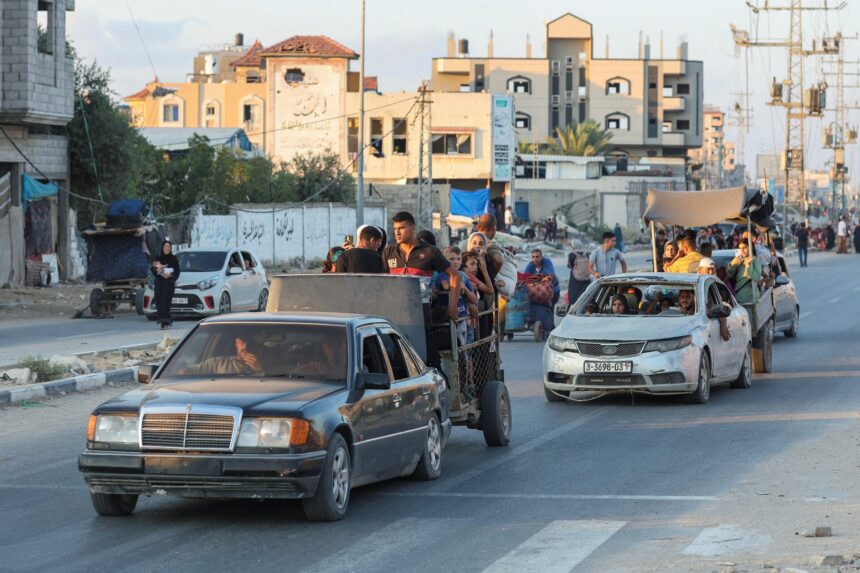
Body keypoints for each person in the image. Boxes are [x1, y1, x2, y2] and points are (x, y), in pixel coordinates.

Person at [383, 211, 459, 368]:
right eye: (395, 228)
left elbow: (455, 276)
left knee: (421, 357)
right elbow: (381, 283)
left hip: (420, 313)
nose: (397, 232)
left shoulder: (430, 252)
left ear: (412, 227)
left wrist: (452, 307)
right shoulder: (388, 252)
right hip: (393, 313)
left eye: (401, 228)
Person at [178, 337, 264, 375]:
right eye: (242, 342)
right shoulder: (217, 363)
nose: (245, 347)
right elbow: (187, 371)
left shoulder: (267, 364)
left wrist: (258, 370)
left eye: (250, 343)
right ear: (236, 343)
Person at [152, 240, 180, 330]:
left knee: (166, 302)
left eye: (168, 247)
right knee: (159, 302)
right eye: (165, 247)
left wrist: (170, 275)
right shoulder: (158, 257)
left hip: (169, 283)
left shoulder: (173, 258)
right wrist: (158, 271)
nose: (167, 248)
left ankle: (166, 321)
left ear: (170, 248)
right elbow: (153, 269)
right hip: (159, 283)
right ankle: (162, 321)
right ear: (162, 248)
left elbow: (177, 271)